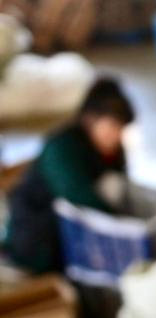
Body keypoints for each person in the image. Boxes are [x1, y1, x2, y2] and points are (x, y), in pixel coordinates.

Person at [6, 78, 134, 273]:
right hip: (38, 233)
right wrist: (125, 227)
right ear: (90, 119)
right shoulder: (62, 147)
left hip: (74, 231)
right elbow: (78, 197)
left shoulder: (112, 149)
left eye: (121, 129)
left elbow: (121, 186)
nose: (117, 136)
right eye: (113, 126)